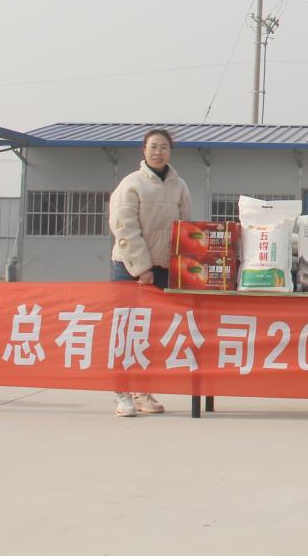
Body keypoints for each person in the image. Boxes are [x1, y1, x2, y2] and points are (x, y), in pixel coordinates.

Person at [107, 127, 192, 418]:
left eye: (164, 147)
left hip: (163, 270)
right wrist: (142, 267)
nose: (158, 152)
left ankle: (142, 391)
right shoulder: (131, 184)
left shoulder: (179, 186)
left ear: (170, 152)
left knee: (152, 333)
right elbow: (124, 228)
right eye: (153, 146)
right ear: (143, 150)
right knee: (126, 331)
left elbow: (185, 229)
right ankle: (122, 393)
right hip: (130, 269)